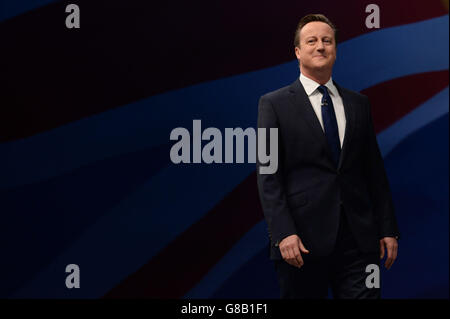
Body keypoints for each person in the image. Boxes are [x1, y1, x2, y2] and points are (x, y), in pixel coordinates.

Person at [256, 13, 400, 299]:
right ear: (298, 51)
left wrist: (387, 228)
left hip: (359, 242)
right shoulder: (273, 104)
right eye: (312, 41)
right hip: (301, 242)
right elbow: (268, 175)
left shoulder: (359, 104)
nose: (320, 46)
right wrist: (283, 233)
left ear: (335, 50)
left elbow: (374, 170)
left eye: (327, 41)